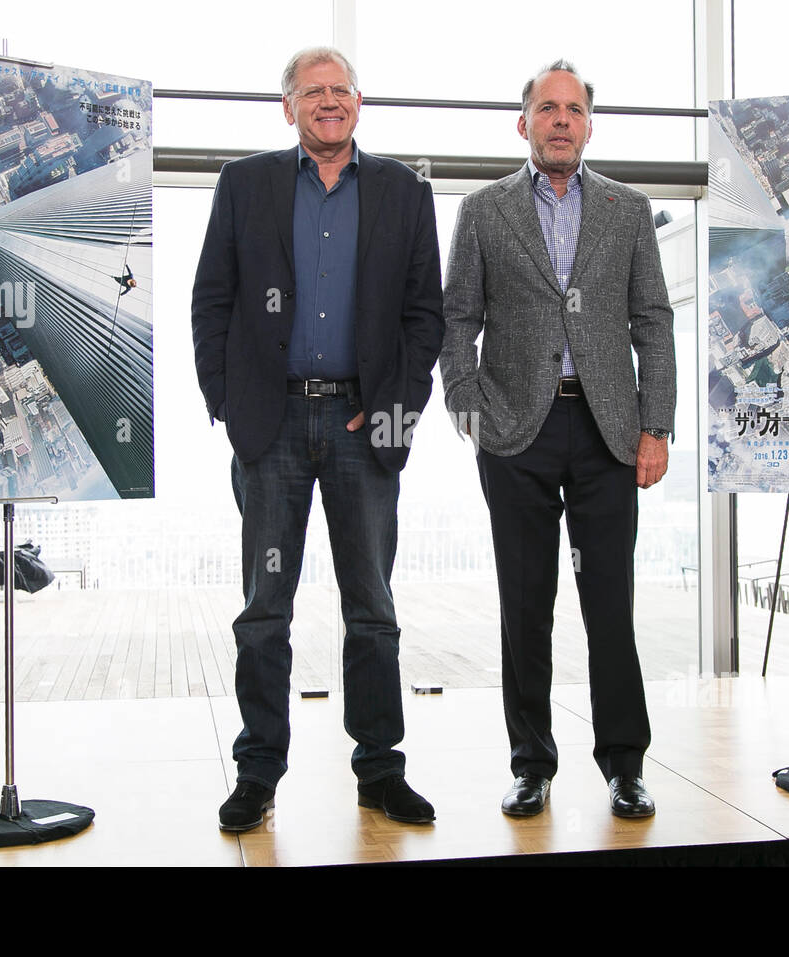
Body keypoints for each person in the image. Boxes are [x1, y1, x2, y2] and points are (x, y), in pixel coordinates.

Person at [191, 47, 444, 832]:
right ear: (288, 106)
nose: (328, 102)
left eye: (340, 91)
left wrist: (395, 403)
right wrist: (228, 400)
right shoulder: (245, 183)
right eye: (313, 92)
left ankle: (379, 769)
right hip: (270, 428)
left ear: (358, 104)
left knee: (372, 607)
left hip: (362, 427)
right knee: (265, 609)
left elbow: (423, 315)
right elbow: (213, 298)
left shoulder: (404, 191)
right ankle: (257, 771)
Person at [439, 60, 675, 819]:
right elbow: (456, 319)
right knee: (525, 604)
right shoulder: (482, 210)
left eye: (574, 109)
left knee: (610, 603)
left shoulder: (628, 209)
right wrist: (468, 407)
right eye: (548, 108)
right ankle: (531, 763)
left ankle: (625, 765)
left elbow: (653, 322)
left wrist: (656, 426)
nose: (562, 120)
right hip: (515, 431)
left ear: (589, 125)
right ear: (525, 123)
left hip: (608, 429)